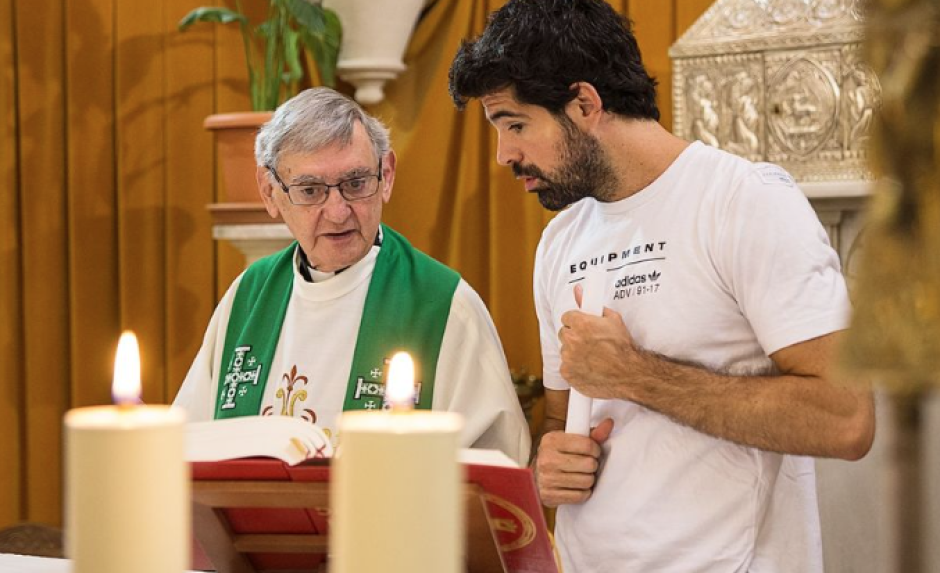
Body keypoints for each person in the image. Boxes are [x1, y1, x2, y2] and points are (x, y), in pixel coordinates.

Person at [448, 1, 875, 571]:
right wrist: (547, 464)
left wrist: (635, 374)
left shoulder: (744, 200)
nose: (505, 154)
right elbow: (562, 421)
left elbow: (846, 419)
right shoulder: (559, 240)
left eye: (516, 125)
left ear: (585, 104)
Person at [174, 87, 530, 465]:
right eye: (310, 191)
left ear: (386, 175)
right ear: (270, 193)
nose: (338, 211)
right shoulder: (248, 297)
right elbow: (189, 450)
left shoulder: (442, 306)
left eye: (356, 184)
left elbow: (495, 472)